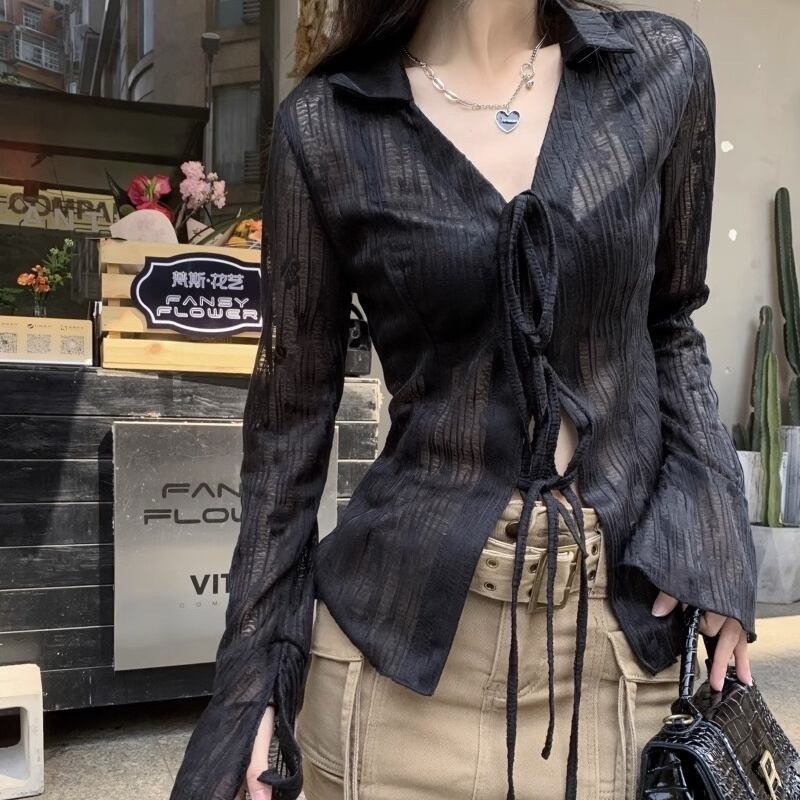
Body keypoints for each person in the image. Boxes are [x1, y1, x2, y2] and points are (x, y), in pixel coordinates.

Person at [169, 1, 758, 799]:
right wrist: (253, 682)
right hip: (397, 675)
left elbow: (671, 323)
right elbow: (288, 426)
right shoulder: (328, 125)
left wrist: (715, 531)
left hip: (623, 658)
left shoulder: (659, 69)